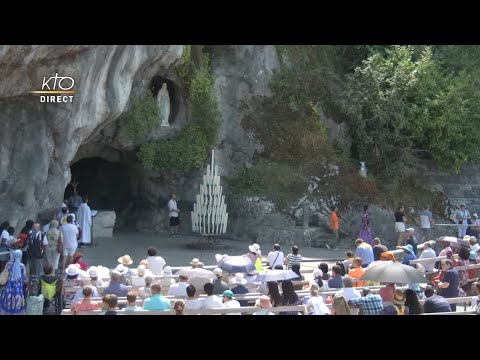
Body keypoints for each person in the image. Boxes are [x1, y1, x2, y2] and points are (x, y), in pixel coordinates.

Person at [0, 250, 27, 315]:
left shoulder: (8, 264)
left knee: (8, 297)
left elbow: (5, 274)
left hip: (9, 285)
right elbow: (24, 278)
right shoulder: (22, 266)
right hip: (19, 287)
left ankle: (7, 312)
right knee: (17, 298)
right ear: (20, 256)